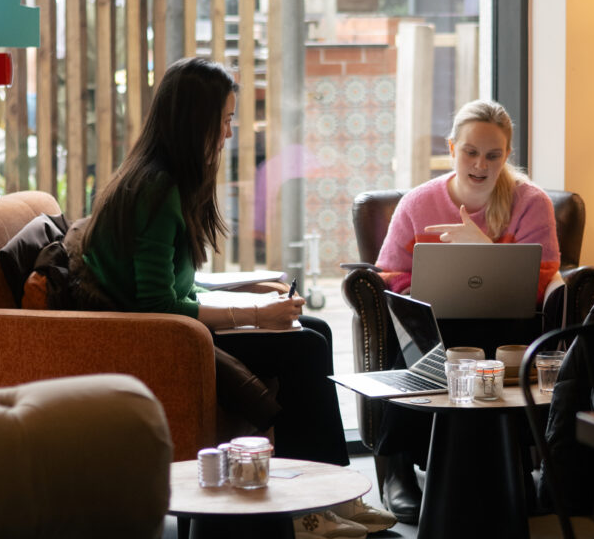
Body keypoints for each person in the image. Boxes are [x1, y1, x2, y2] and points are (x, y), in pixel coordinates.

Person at [79, 57, 393, 538]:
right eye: (225, 120)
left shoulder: (165, 178)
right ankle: (311, 513)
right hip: (156, 342)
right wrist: (256, 313)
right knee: (304, 345)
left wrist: (248, 288)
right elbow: (158, 306)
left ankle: (335, 500)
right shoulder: (156, 189)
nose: (229, 133)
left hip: (169, 330)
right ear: (195, 120)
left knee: (316, 330)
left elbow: (177, 286)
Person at [372, 98, 562, 523]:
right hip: (437, 324)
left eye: (493, 155)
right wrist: (429, 289)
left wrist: (484, 250)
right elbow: (388, 276)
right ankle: (399, 468)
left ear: (507, 155)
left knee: (483, 333)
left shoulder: (531, 203)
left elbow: (543, 278)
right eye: (470, 152)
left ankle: (510, 467)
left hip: (509, 324)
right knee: (436, 335)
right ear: (452, 147)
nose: (481, 164)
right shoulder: (418, 204)